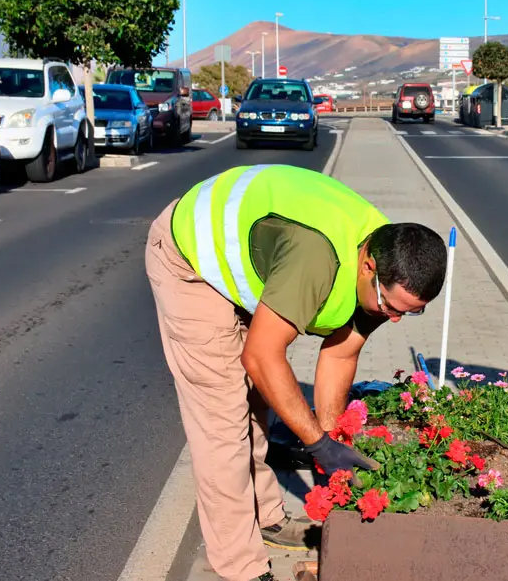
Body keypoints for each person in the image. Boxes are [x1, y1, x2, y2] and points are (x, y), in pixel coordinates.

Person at [145, 164, 447, 581]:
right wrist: (316, 442)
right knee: (223, 424)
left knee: (256, 404)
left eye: (410, 313)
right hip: (191, 261)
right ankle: (239, 566)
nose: (394, 319)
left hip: (257, 262)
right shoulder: (317, 259)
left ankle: (265, 518)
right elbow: (262, 357)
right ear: (369, 266)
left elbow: (340, 356)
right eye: (392, 307)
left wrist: (331, 439)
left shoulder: (391, 267)